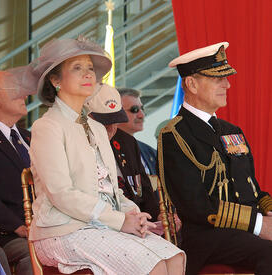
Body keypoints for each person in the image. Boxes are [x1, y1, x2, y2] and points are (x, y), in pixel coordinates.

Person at [28, 36, 186, 275]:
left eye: (90, 68)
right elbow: (62, 194)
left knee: (174, 257)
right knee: (153, 264)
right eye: (77, 68)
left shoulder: (98, 128)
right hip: (62, 230)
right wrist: (119, 220)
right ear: (55, 80)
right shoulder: (47, 126)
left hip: (101, 225)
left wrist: (133, 214)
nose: (88, 74)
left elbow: (111, 189)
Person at [158, 41, 272, 275]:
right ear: (191, 84)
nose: (227, 85)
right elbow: (196, 207)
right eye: (217, 79)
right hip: (208, 237)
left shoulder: (232, 131)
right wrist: (259, 225)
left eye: (226, 78)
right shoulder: (175, 135)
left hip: (247, 231)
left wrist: (269, 211)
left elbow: (252, 190)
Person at [86, 84, 160, 223]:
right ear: (88, 117)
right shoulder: (79, 141)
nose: (110, 128)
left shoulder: (127, 142)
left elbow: (144, 190)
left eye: (115, 121)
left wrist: (156, 218)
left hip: (134, 219)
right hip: (98, 222)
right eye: (104, 121)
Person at [0, 69, 34, 275]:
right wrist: (17, 226)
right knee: (33, 255)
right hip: (9, 232)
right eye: (15, 90)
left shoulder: (31, 137)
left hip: (47, 225)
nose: (24, 95)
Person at [117, 87, 157, 175]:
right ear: (115, 113)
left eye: (142, 109)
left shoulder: (150, 152)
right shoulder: (104, 149)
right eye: (134, 110)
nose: (141, 115)